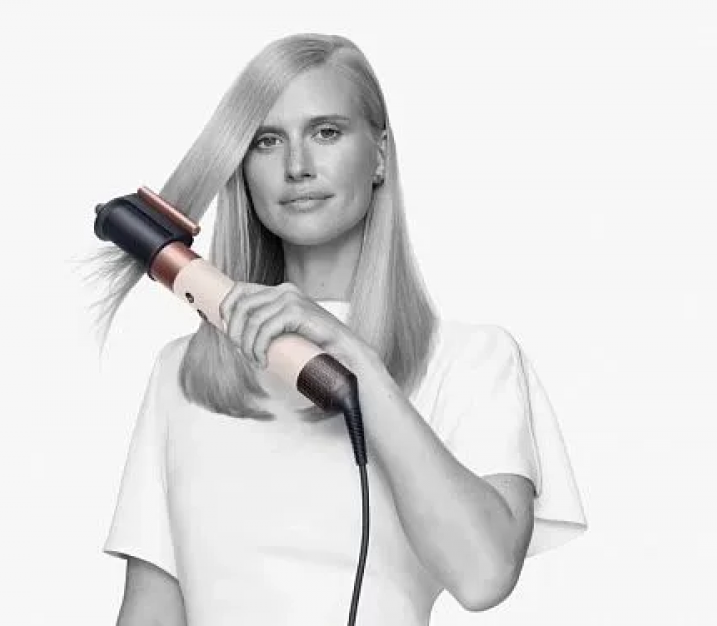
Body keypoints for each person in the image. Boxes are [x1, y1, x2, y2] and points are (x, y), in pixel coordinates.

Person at [89, 33, 588, 626]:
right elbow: (149, 613)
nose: (297, 166)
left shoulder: (471, 361)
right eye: (267, 141)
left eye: (326, 132)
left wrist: (357, 363)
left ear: (379, 155)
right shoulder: (185, 373)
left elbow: (484, 575)